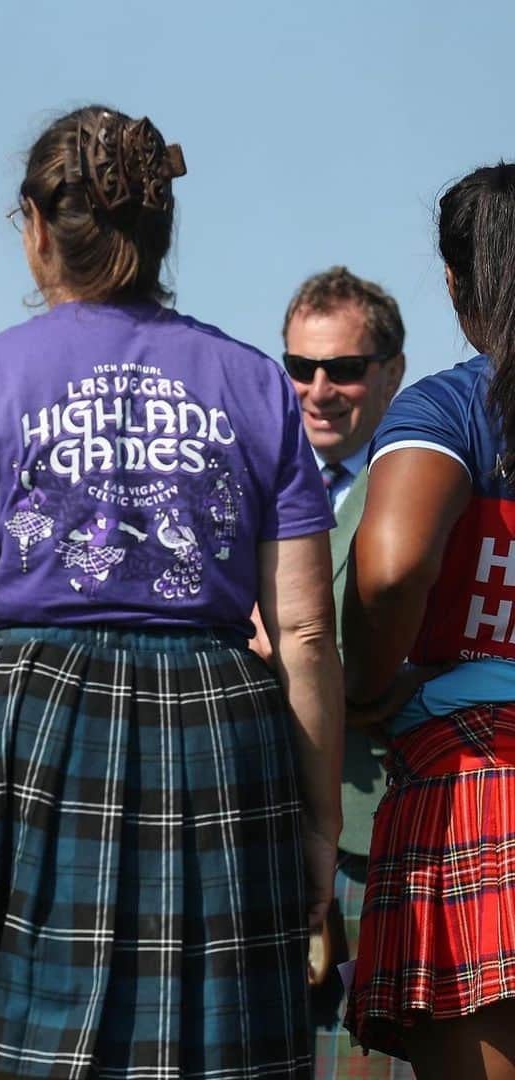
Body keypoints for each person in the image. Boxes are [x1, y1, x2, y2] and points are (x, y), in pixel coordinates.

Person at [0, 106, 344, 1079]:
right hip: (215, 736)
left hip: (24, 730)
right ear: (162, 230)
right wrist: (319, 825)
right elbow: (307, 633)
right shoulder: (254, 383)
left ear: (35, 227)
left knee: (5, 1051)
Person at [343, 164, 515, 1078]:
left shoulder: (452, 407)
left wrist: (368, 684)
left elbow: (393, 564)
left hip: (480, 784)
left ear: (454, 282)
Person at [280, 267, 410, 1078]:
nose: (319, 390)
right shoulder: (247, 483)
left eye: (344, 369)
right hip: (254, 828)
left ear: (393, 371)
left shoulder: (428, 489)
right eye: (300, 367)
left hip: (371, 837)